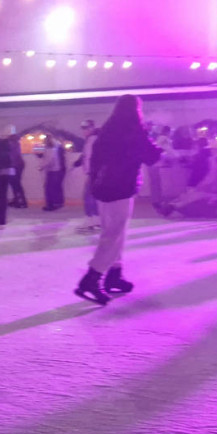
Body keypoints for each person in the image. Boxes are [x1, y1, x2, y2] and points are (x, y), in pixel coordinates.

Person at [74, 94, 162, 305]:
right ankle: (91, 279)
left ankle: (114, 274)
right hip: (121, 189)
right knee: (113, 234)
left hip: (102, 190)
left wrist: (95, 184)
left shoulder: (106, 131)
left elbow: (95, 161)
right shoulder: (134, 131)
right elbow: (152, 157)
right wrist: (155, 142)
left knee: (114, 232)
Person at [73, 120, 100, 232]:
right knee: (91, 196)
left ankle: (91, 219)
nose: (84, 131)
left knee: (88, 196)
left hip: (94, 172)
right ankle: (95, 220)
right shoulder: (91, 139)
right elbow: (87, 155)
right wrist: (79, 161)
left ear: (92, 128)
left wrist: (93, 169)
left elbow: (94, 156)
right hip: (93, 172)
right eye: (83, 128)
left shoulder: (94, 139)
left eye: (86, 128)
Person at [40, 135, 66, 211]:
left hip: (53, 170)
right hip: (57, 170)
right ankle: (57, 203)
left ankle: (50, 205)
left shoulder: (50, 149)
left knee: (49, 188)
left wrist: (42, 166)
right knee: (55, 188)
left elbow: (49, 161)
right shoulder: (56, 147)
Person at [5, 126, 27, 208]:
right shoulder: (15, 141)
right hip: (17, 165)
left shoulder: (10, 142)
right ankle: (19, 200)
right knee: (16, 183)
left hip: (14, 166)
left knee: (15, 183)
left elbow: (12, 155)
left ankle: (20, 201)